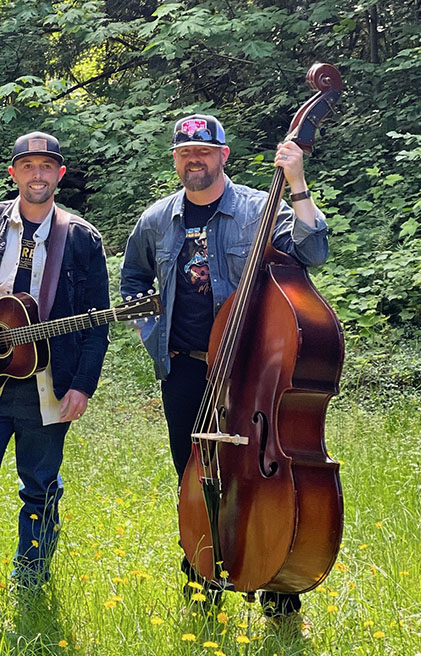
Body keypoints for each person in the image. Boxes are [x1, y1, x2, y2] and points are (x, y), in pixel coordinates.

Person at [119, 114, 329, 623]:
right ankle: (202, 591)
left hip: (254, 375)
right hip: (187, 373)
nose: (196, 160)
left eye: (205, 152)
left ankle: (279, 594)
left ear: (223, 156)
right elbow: (133, 283)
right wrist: (156, 342)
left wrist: (297, 182)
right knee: (194, 478)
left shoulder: (261, 208)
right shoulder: (155, 220)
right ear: (175, 159)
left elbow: (314, 250)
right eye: (186, 153)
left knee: (267, 480)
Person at [0, 132, 110, 602]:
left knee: (40, 490)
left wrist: (83, 387)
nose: (38, 175)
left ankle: (29, 584)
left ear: (60, 175)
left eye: (46, 167)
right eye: (28, 166)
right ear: (13, 173)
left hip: (48, 387)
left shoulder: (81, 238)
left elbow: (98, 324)